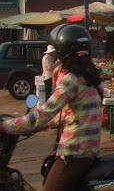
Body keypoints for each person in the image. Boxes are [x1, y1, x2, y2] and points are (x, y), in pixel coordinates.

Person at [0, 23, 103, 191]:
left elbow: (42, 115)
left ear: (63, 51)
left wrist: (5, 126)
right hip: (88, 151)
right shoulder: (94, 79)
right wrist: (46, 125)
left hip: (73, 153)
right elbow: (77, 115)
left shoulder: (71, 80)